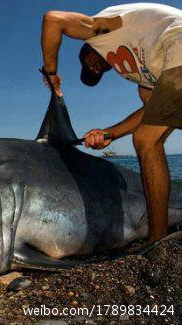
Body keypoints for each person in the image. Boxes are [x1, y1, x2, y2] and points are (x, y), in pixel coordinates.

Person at [40, 3, 182, 246]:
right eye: (94, 73)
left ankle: (158, 241)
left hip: (176, 40)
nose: (93, 68)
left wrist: (50, 73)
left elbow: (53, 20)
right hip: (171, 63)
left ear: (88, 49)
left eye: (89, 63)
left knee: (146, 140)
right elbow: (151, 113)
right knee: (149, 134)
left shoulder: (100, 31)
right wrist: (109, 134)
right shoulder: (140, 74)